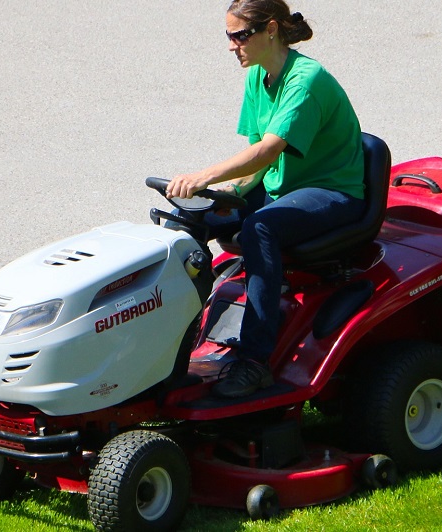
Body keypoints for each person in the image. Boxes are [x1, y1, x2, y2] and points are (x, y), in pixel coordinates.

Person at [166, 0, 365, 398]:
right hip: (280, 186)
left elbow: (268, 151)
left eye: (240, 36)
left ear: (270, 30)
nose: (231, 45)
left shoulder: (305, 81)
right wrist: (226, 194)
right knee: (187, 220)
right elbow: (256, 159)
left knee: (259, 229)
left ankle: (255, 362)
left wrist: (204, 175)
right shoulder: (257, 76)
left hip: (332, 191)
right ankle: (171, 350)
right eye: (229, 35)